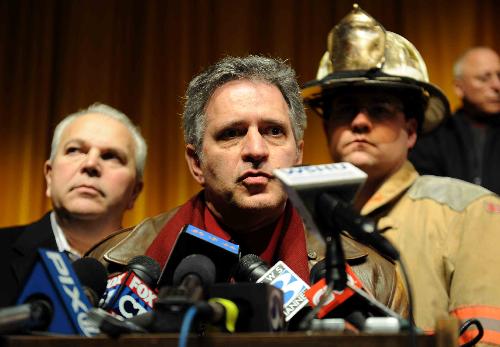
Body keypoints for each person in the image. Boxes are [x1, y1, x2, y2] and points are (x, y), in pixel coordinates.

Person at [87, 55, 408, 318]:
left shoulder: (374, 278)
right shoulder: (110, 267)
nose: (256, 149)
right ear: (196, 162)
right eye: (232, 133)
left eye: (273, 131)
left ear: (298, 155)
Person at [301, 5, 500, 346]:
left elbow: (484, 338)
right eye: (345, 109)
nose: (360, 122)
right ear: (326, 127)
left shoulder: (470, 211)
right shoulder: (305, 223)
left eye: (379, 110)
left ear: (411, 132)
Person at [0, 103, 146, 307]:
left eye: (110, 156)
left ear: (134, 192)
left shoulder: (156, 276)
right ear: (49, 176)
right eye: (75, 150)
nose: (90, 164)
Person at [409, 47, 500, 194]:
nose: (497, 86)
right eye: (484, 78)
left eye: (499, 76)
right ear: (459, 87)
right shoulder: (434, 135)